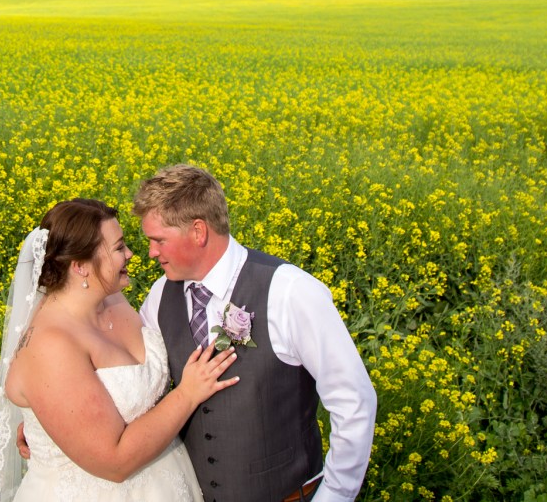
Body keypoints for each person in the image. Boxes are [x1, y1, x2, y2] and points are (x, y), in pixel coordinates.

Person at [135, 165, 377, 502]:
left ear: (198, 231)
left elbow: (354, 400)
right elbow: (137, 379)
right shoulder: (161, 295)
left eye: (159, 240)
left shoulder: (290, 291)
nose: (151, 252)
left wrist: (335, 494)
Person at [0, 198, 240, 502]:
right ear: (80, 265)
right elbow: (113, 462)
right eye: (119, 248)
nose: (131, 253)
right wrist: (187, 394)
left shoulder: (112, 298)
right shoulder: (50, 346)